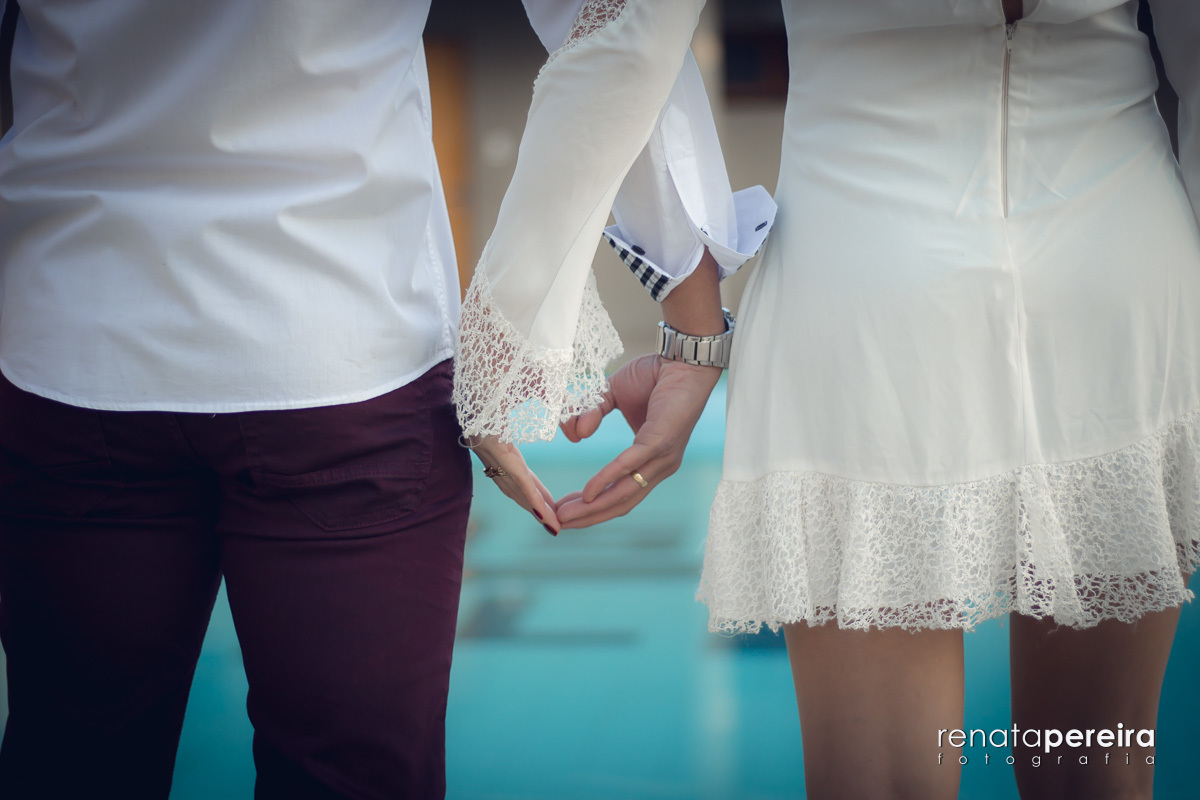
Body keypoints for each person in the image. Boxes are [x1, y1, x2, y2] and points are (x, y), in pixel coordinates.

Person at [0, 1, 766, 797]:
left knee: (70, 762)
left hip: (70, 337)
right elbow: (621, 21)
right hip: (346, 352)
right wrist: (530, 331)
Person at [454, 1, 1200, 798]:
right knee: (1095, 771)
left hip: (864, 279)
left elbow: (624, 38)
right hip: (1123, 266)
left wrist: (516, 339)